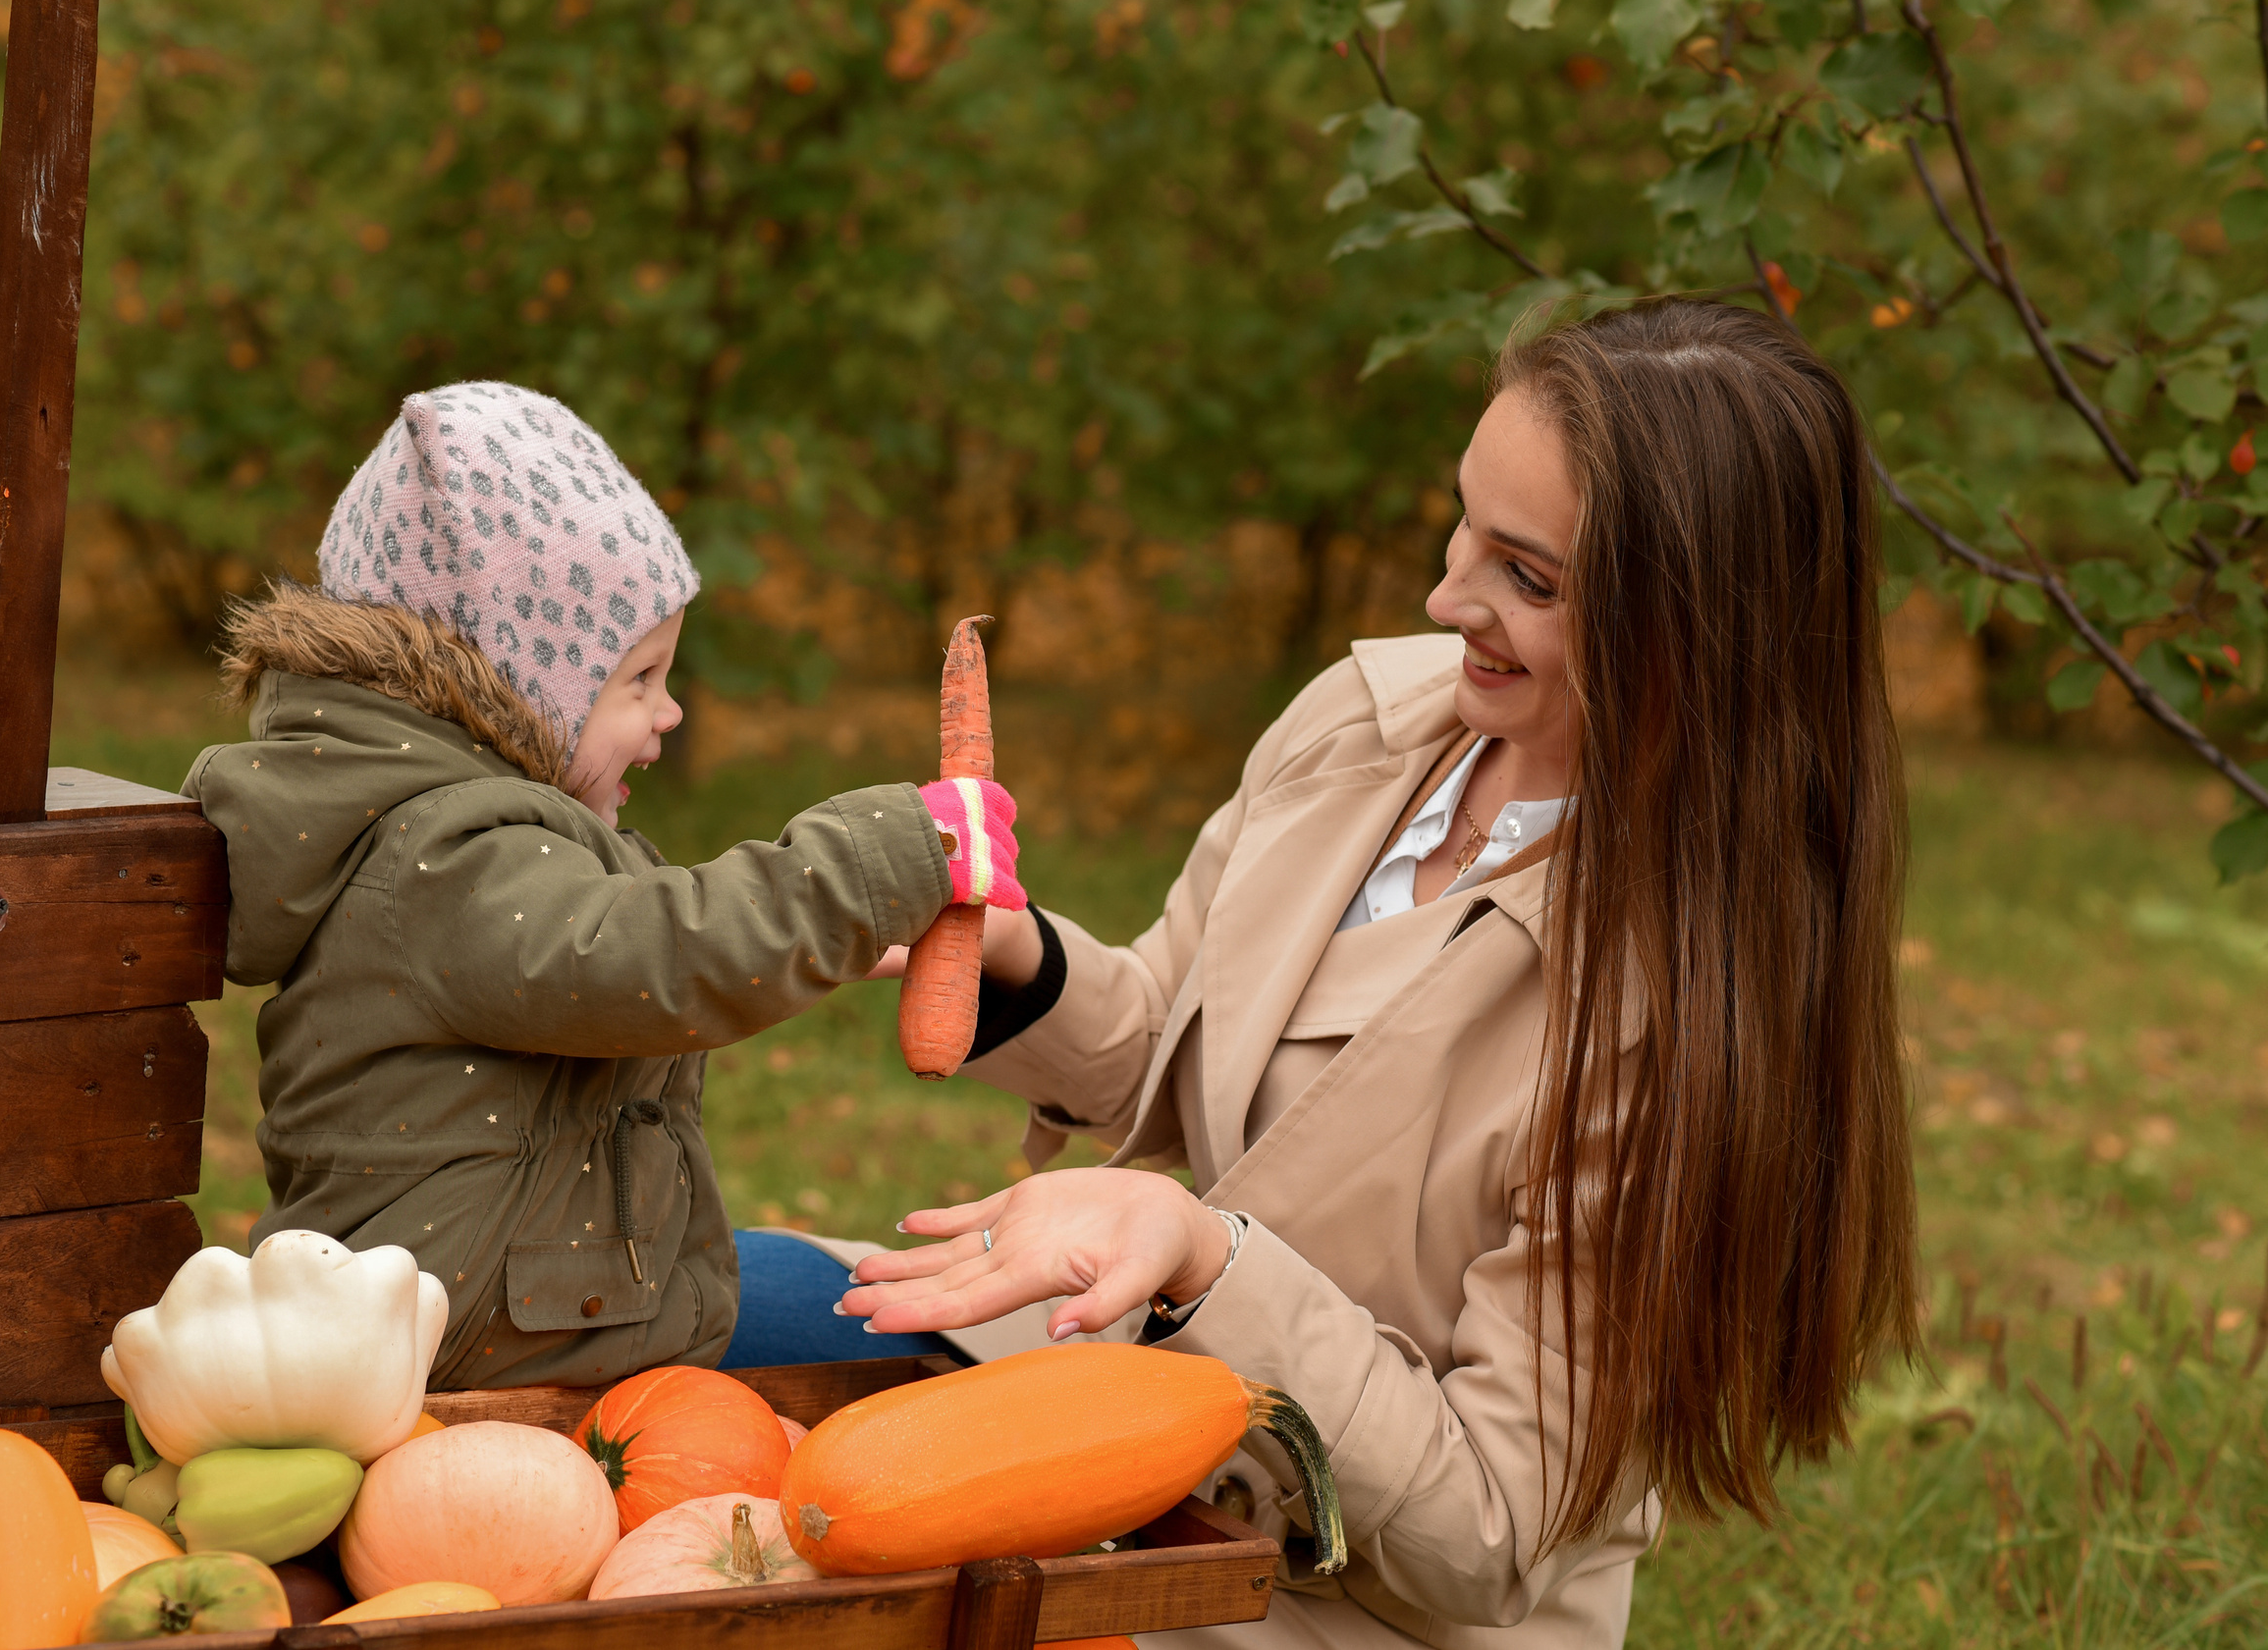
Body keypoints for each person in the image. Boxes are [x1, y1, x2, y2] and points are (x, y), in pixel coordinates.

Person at [830, 298, 1919, 1647]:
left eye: (1529, 579)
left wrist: (1207, 1259)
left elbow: (1488, 1530)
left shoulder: (1687, 1018)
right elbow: (1182, 1033)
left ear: (1687, 638)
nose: (1448, 599)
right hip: (1116, 1419)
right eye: (1465, 525)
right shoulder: (1369, 719)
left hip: (1333, 1602)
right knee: (730, 1325)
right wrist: (1016, 957)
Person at [182, 380, 1024, 1389]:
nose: (669, 712)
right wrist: (875, 862)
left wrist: (832, 934)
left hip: (528, 1328)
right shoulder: (446, 854)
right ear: (524, 681)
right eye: (639, 679)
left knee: (841, 1307)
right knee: (904, 1363)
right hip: (478, 1378)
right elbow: (646, 955)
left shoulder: (451, 837)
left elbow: (631, 944)